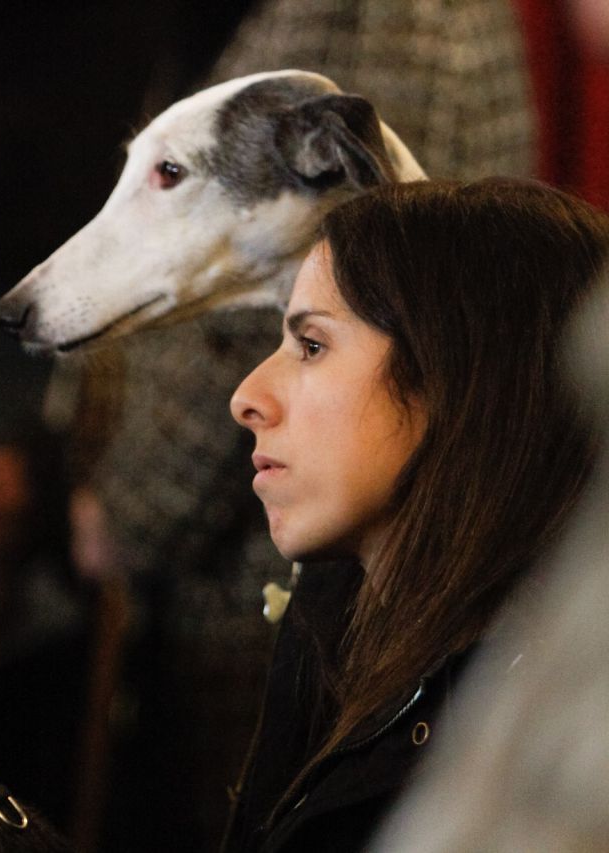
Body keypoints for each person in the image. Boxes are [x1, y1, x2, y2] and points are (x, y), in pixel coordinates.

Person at [222, 179, 609, 853]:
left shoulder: (562, 720)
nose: (247, 397)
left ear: (463, 376)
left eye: (311, 345)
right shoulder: (330, 619)